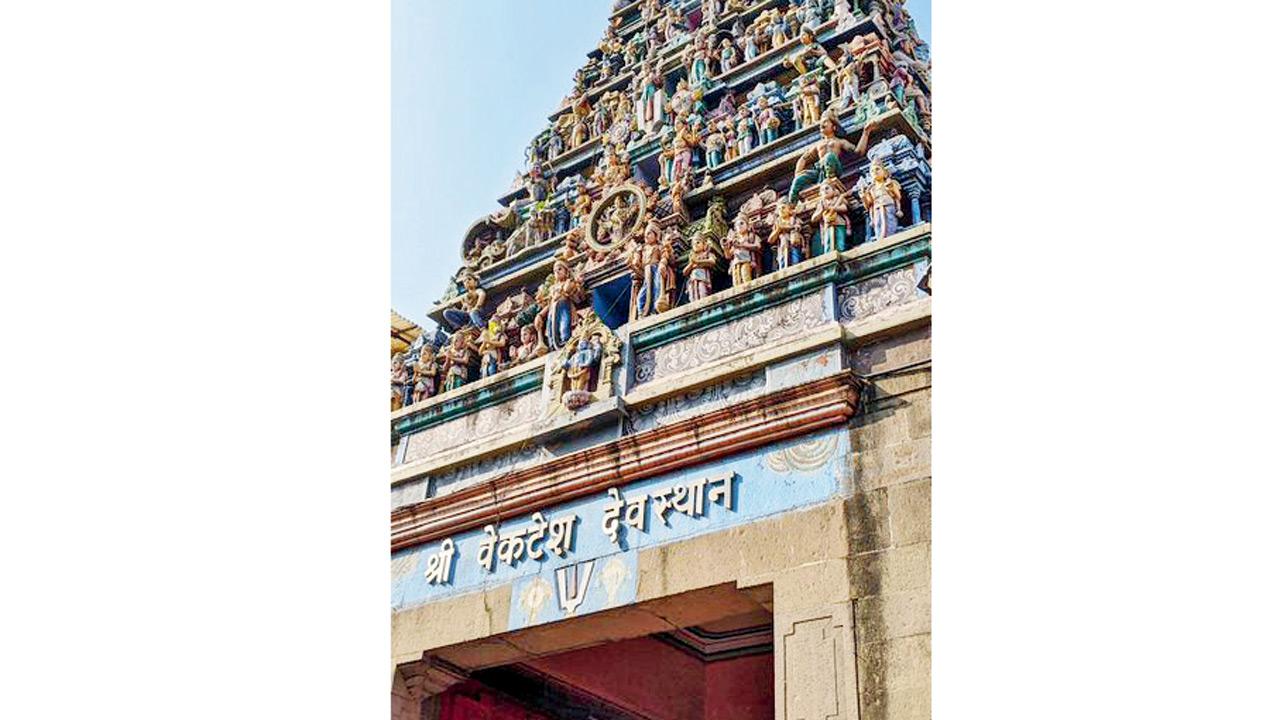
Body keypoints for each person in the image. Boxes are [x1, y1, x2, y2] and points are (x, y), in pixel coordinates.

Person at [787, 112, 876, 202]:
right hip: (819, 171)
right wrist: (798, 173)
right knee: (798, 180)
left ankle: (829, 182)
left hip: (833, 168)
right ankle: (792, 204)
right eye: (821, 123)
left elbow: (858, 152)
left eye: (825, 122)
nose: (822, 124)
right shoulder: (818, 145)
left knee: (829, 156)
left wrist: (865, 133)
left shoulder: (839, 142)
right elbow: (803, 158)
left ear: (834, 127)